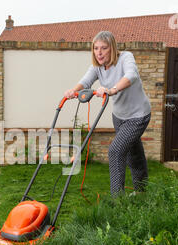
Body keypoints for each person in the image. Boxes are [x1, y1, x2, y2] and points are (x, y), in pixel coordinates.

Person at [64, 31, 151, 196]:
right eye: (96, 48)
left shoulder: (126, 57)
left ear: (112, 48)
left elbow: (131, 75)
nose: (99, 52)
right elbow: (86, 81)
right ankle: (142, 192)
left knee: (116, 151)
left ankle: (117, 201)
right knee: (134, 154)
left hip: (138, 115)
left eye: (104, 48)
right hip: (119, 116)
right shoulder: (97, 67)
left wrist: (112, 90)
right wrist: (72, 91)